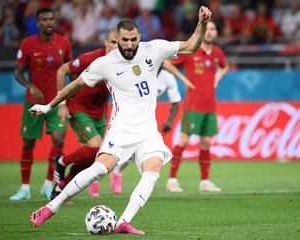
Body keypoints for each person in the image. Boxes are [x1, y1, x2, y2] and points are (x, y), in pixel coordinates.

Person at [29, 6, 211, 234]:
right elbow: (74, 85)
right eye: (124, 40)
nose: (129, 44)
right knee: (99, 170)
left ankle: (123, 222)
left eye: (134, 39)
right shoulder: (105, 63)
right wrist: (49, 106)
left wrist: (202, 23)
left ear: (139, 37)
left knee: (153, 168)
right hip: (121, 129)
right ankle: (50, 208)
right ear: (117, 38)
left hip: (147, 131)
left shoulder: (154, 49)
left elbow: (191, 45)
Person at [9, 8, 72, 201]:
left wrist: (71, 97)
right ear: (38, 23)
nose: (49, 22)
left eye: (52, 19)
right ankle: (24, 188)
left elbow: (71, 70)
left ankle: (48, 185)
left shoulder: (64, 42)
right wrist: (30, 86)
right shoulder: (28, 44)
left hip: (56, 102)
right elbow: (18, 72)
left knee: (59, 140)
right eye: (45, 20)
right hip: (33, 102)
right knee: (28, 143)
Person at [51, 29, 118, 199]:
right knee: (95, 146)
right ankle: (61, 161)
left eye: (119, 43)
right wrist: (62, 102)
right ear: (105, 42)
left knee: (94, 158)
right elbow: (62, 70)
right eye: (112, 42)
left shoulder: (123, 62)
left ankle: (60, 190)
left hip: (100, 112)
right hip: (79, 107)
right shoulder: (91, 58)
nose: (116, 46)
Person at [164, 21, 229, 193]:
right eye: (207, 29)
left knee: (206, 142)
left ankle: (205, 182)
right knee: (184, 139)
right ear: (202, 31)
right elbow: (167, 63)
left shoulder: (217, 52)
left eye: (213, 29)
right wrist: (183, 79)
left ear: (216, 33)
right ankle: (171, 180)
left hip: (210, 105)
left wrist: (217, 78)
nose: (209, 32)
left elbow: (225, 67)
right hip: (193, 105)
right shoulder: (191, 50)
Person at [109, 67, 195, 194]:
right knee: (119, 150)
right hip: (126, 114)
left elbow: (175, 101)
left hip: (147, 118)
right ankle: (100, 174)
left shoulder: (167, 77)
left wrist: (170, 120)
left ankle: (118, 173)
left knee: (140, 151)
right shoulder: (139, 70)